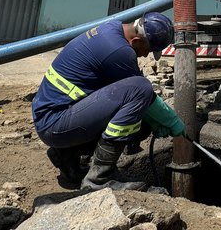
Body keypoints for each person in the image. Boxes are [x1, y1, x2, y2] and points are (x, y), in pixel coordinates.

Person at [31, 12, 186, 191]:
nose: (145, 56)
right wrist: (171, 121)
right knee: (141, 89)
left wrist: (153, 120)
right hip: (55, 124)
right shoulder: (119, 51)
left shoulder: (112, 29)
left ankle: (67, 156)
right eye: (147, 50)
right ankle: (99, 179)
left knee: (141, 121)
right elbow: (141, 93)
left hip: (54, 116)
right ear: (135, 41)